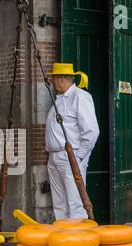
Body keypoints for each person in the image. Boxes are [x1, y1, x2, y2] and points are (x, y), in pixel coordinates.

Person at [45, 63, 100, 220]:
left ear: (62, 79)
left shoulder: (80, 97)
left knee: (75, 200)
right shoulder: (59, 99)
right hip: (55, 156)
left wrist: (79, 156)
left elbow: (92, 131)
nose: (52, 82)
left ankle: (78, 239)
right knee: (59, 202)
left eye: (54, 78)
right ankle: (64, 239)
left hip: (71, 156)